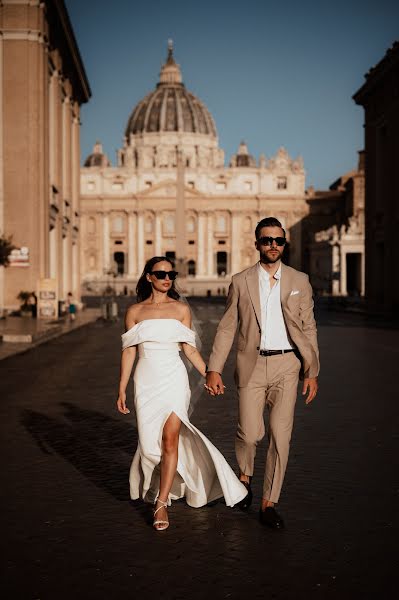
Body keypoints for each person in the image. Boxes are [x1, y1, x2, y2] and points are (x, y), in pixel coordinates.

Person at [117, 256, 247, 531]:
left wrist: (210, 373)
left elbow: (189, 349)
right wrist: (121, 389)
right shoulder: (134, 311)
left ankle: (162, 502)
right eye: (161, 273)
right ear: (149, 277)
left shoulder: (181, 310)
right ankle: (174, 482)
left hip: (174, 377)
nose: (167, 278)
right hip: (146, 379)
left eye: (171, 274)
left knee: (170, 438)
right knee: (150, 443)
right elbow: (129, 350)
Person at [205, 217, 320, 529]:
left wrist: (312, 370)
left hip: (288, 364)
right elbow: (227, 328)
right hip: (251, 365)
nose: (273, 245)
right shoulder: (241, 281)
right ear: (256, 243)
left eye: (278, 241)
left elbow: (309, 327)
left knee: (281, 437)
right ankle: (245, 475)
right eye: (267, 240)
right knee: (250, 432)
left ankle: (269, 503)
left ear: (284, 244)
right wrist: (213, 368)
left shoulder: (299, 281)